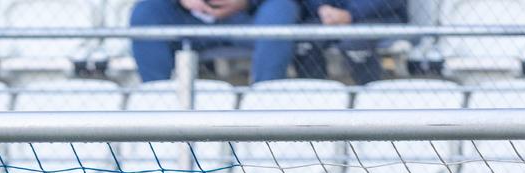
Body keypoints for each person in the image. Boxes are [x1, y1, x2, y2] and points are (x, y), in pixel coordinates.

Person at [129, 0, 303, 84]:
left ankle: (264, 97)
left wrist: (245, 2)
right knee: (145, 12)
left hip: (247, 18)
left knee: (282, 7)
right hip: (189, 20)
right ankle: (156, 96)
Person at [293, 0, 409, 84]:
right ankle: (313, 99)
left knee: (355, 42)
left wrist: (351, 14)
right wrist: (322, 8)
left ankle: (369, 97)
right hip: (330, 17)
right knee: (305, 38)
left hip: (378, 17)